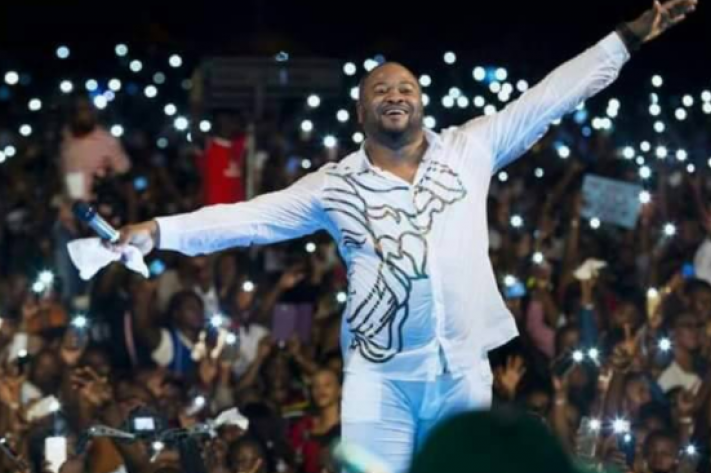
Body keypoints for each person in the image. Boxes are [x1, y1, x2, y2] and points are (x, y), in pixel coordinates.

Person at [114, 2, 696, 471]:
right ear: (360, 112)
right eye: (380, 90)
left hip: (462, 370)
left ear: (421, 102)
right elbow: (249, 218)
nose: (395, 94)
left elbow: (550, 96)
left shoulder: (470, 149)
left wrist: (628, 37)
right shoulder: (334, 186)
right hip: (380, 380)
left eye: (406, 87)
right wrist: (158, 231)